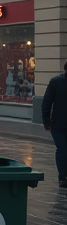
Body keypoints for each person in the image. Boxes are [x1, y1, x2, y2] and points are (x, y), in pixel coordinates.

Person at [41, 60, 67, 188]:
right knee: (62, 149)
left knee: (62, 150)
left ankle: (63, 176)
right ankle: (63, 176)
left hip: (57, 123)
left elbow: (46, 103)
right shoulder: (56, 82)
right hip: (58, 124)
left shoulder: (55, 81)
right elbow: (47, 103)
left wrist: (46, 121)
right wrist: (46, 121)